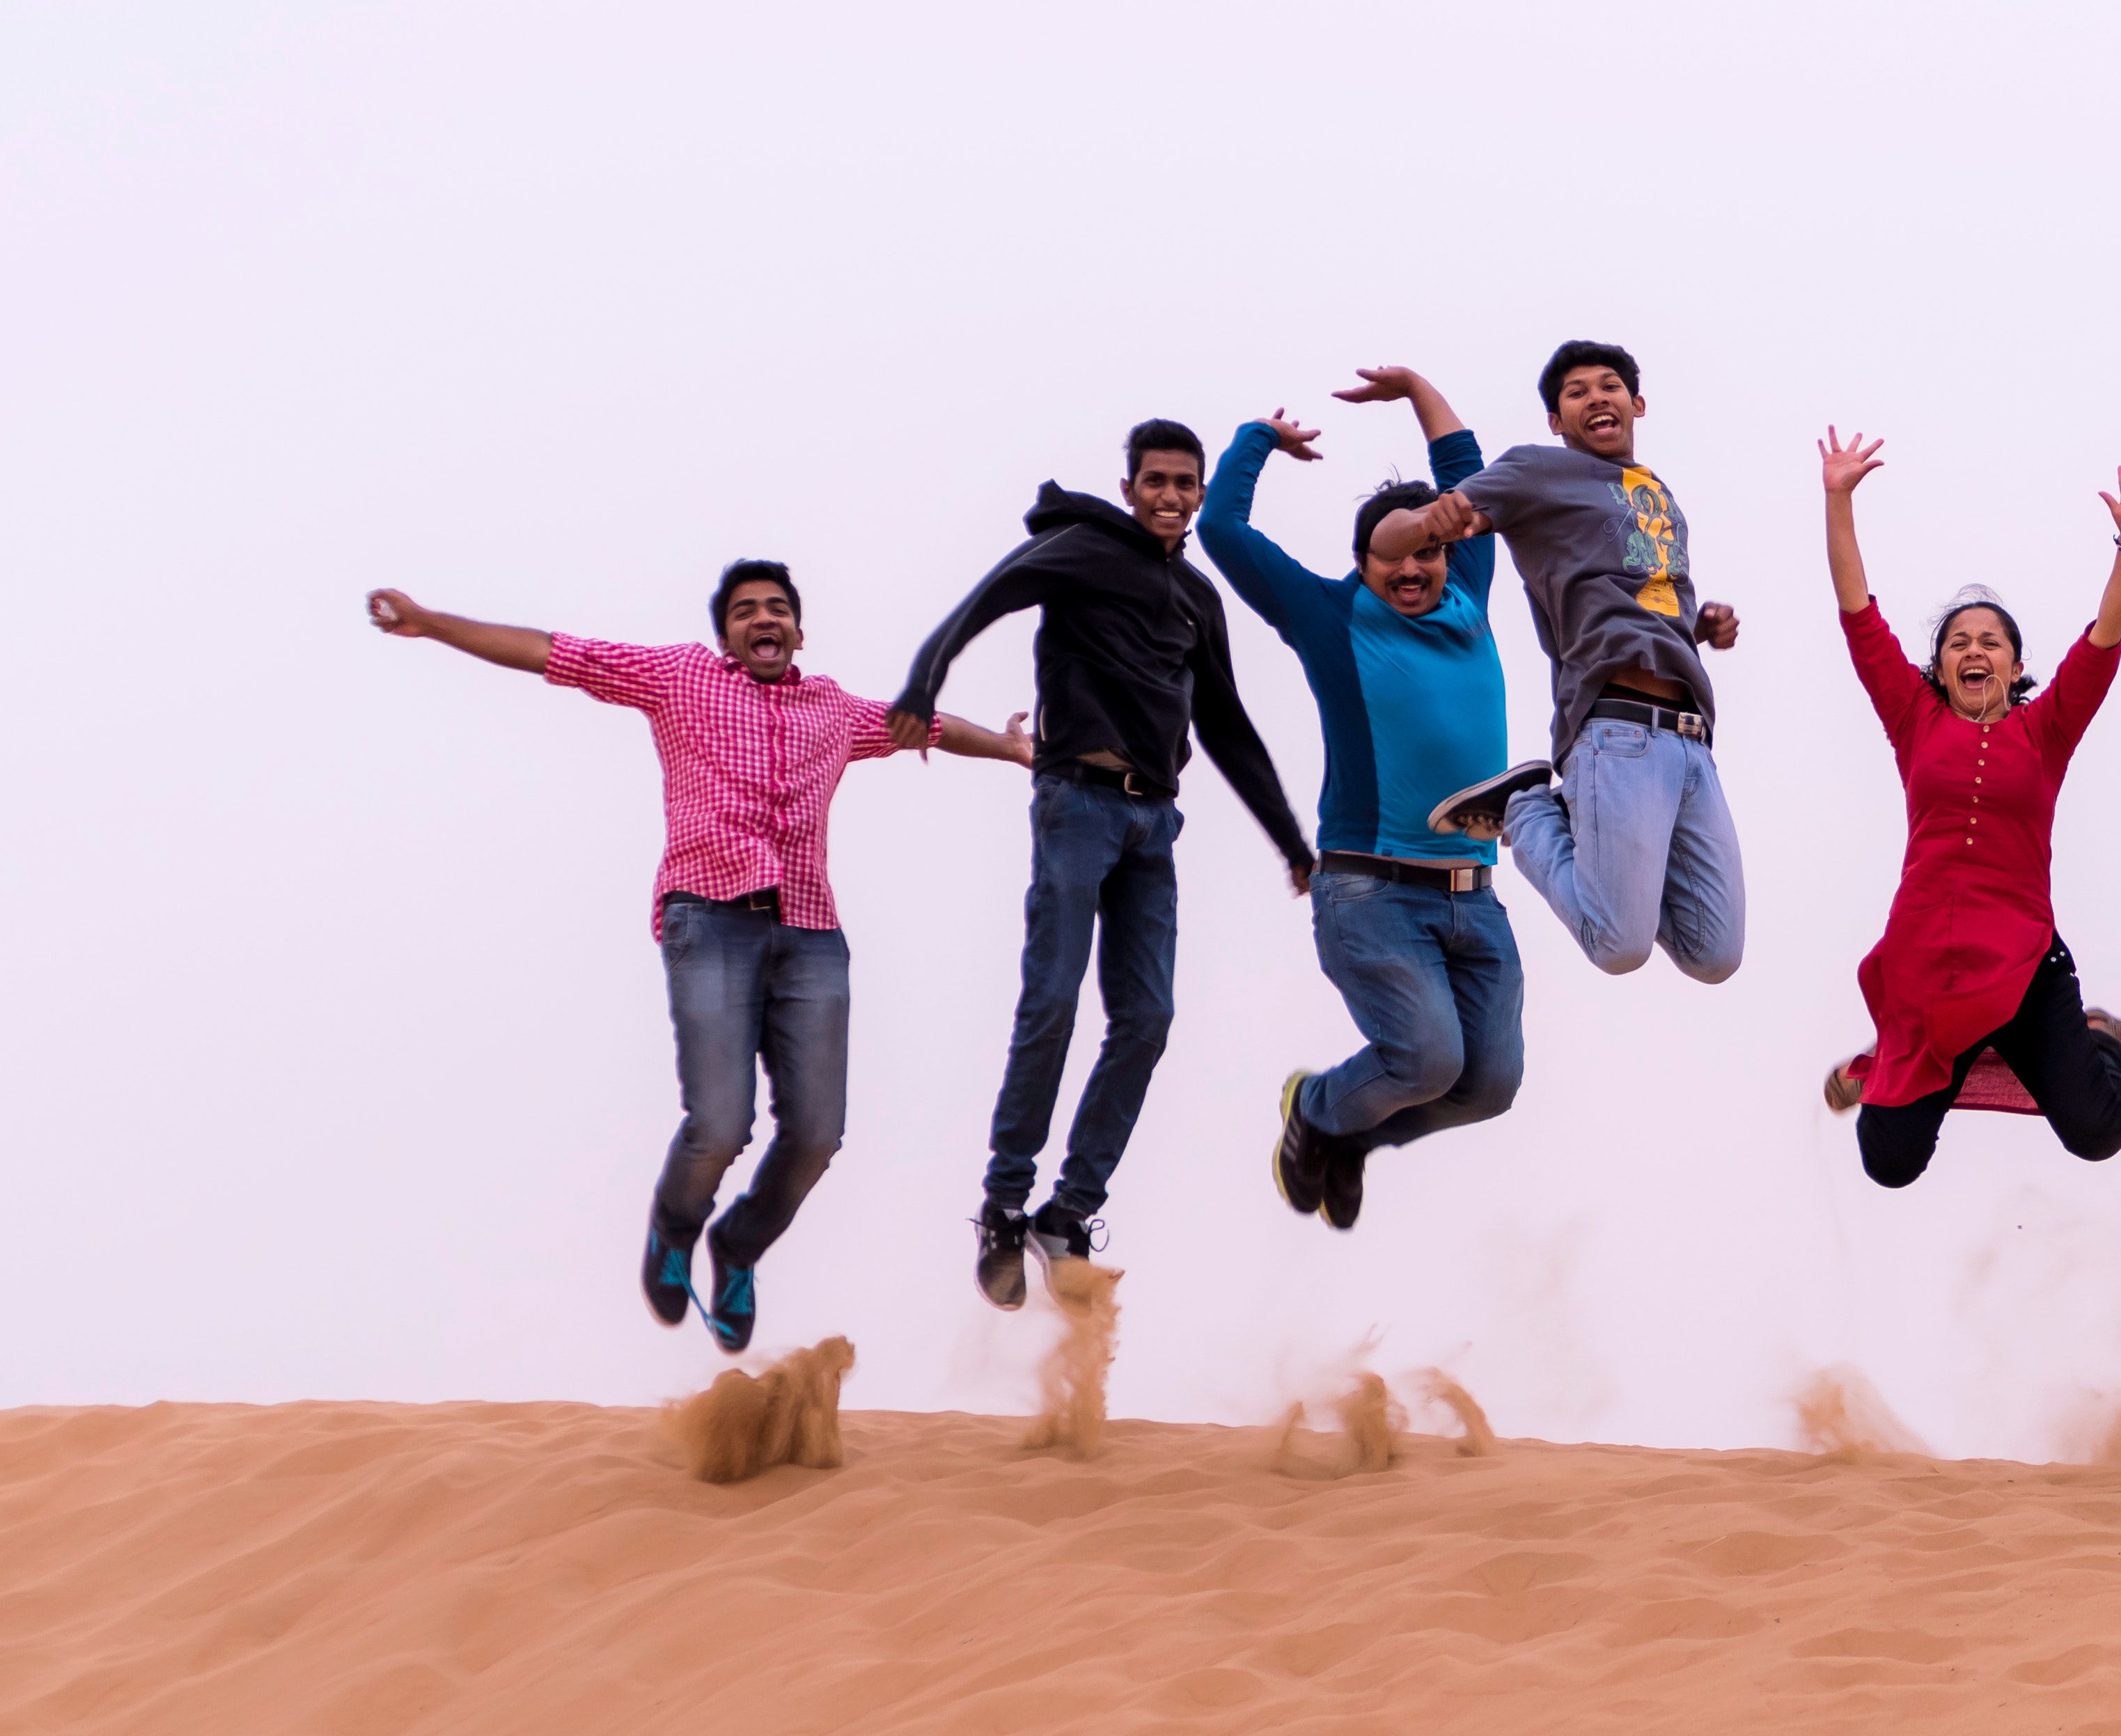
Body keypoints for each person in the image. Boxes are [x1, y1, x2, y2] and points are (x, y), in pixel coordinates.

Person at [366, 565, 1032, 1352]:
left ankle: (738, 1246)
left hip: (811, 933)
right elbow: (553, 653)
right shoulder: (679, 676)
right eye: (746, 610)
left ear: (799, 631)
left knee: (817, 1133)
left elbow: (922, 724)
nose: (764, 619)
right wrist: (433, 622)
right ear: (725, 636)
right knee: (720, 1123)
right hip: (710, 921)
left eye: (778, 608)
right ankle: (675, 1227)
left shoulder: (833, 709)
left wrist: (1010, 747)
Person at [890, 419, 1315, 1310]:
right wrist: (923, 684)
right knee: (1050, 997)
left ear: (1198, 494)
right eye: (1154, 481)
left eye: (1184, 484)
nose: (1169, 496)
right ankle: (1004, 1204)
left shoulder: (1198, 598)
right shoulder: (1082, 550)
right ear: (1130, 487)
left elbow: (1227, 724)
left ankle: (1068, 1211)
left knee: (1148, 1017)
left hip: (1153, 822)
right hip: (1076, 803)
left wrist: (1289, 840)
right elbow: (984, 601)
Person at [1191, 370, 1524, 1233]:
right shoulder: (1326, 615)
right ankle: (1315, 1108)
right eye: (1393, 556)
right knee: (1424, 1058)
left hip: (1474, 897)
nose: (1413, 569)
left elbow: (1462, 466)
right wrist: (1257, 437)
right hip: (1371, 891)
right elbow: (1222, 529)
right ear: (1360, 563)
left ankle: (1345, 1137)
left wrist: (1418, 387)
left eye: (1427, 552)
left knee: (1488, 1085)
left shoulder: (1469, 592)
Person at [1813, 430, 2121, 1186]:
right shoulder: (1915, 720)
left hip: (2023, 962)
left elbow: (2103, 639)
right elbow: (1857, 614)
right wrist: (1837, 498)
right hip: (1925, 970)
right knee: (1889, 1164)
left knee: (2099, 1134)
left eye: (1991, 641)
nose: (1975, 650)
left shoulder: (2046, 731)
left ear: (2014, 663)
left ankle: (2095, 1035)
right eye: (1958, 642)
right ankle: (1913, 1062)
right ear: (1938, 668)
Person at [1359, 342, 1745, 983]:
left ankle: (1580, 818)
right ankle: (1528, 808)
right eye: (1576, 392)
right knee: (1620, 946)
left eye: (1610, 385)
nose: (1597, 396)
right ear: (1556, 422)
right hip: (1616, 733)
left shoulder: (1658, 495)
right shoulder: (1537, 473)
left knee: (1715, 955)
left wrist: (1698, 630)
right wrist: (1433, 516)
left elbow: (1629, 613)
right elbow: (1389, 540)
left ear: (1636, 403)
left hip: (1693, 743)